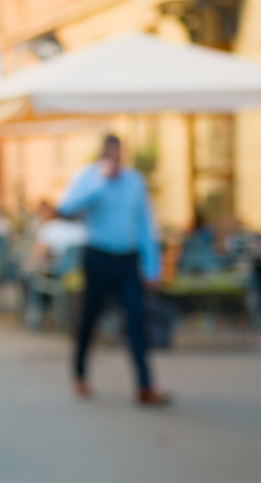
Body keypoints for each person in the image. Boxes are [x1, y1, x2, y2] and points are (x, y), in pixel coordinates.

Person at [58, 134, 171, 406]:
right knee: (89, 317)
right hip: (97, 255)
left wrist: (153, 266)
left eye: (121, 155)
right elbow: (65, 208)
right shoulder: (89, 177)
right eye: (112, 155)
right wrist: (101, 182)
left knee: (136, 320)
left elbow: (145, 224)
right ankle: (80, 374)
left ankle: (145, 385)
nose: (117, 160)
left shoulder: (135, 182)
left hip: (128, 259)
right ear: (104, 155)